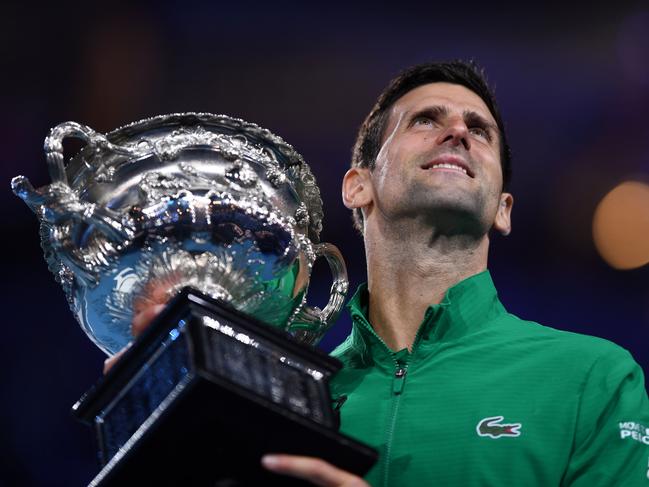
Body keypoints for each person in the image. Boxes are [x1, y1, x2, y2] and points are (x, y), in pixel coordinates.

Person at [108, 61, 649, 486]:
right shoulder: (288, 399)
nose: (458, 131)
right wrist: (158, 421)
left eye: (479, 131)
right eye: (426, 120)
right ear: (357, 186)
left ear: (503, 208)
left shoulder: (592, 378)